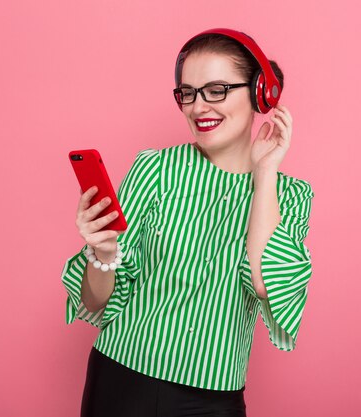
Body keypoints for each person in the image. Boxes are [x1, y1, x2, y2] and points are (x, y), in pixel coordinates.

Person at [61, 28, 315, 417]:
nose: (198, 107)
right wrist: (104, 252)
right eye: (188, 93)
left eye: (217, 90)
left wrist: (265, 173)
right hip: (121, 379)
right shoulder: (155, 168)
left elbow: (266, 284)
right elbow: (96, 301)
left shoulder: (290, 195)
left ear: (262, 94)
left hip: (213, 399)